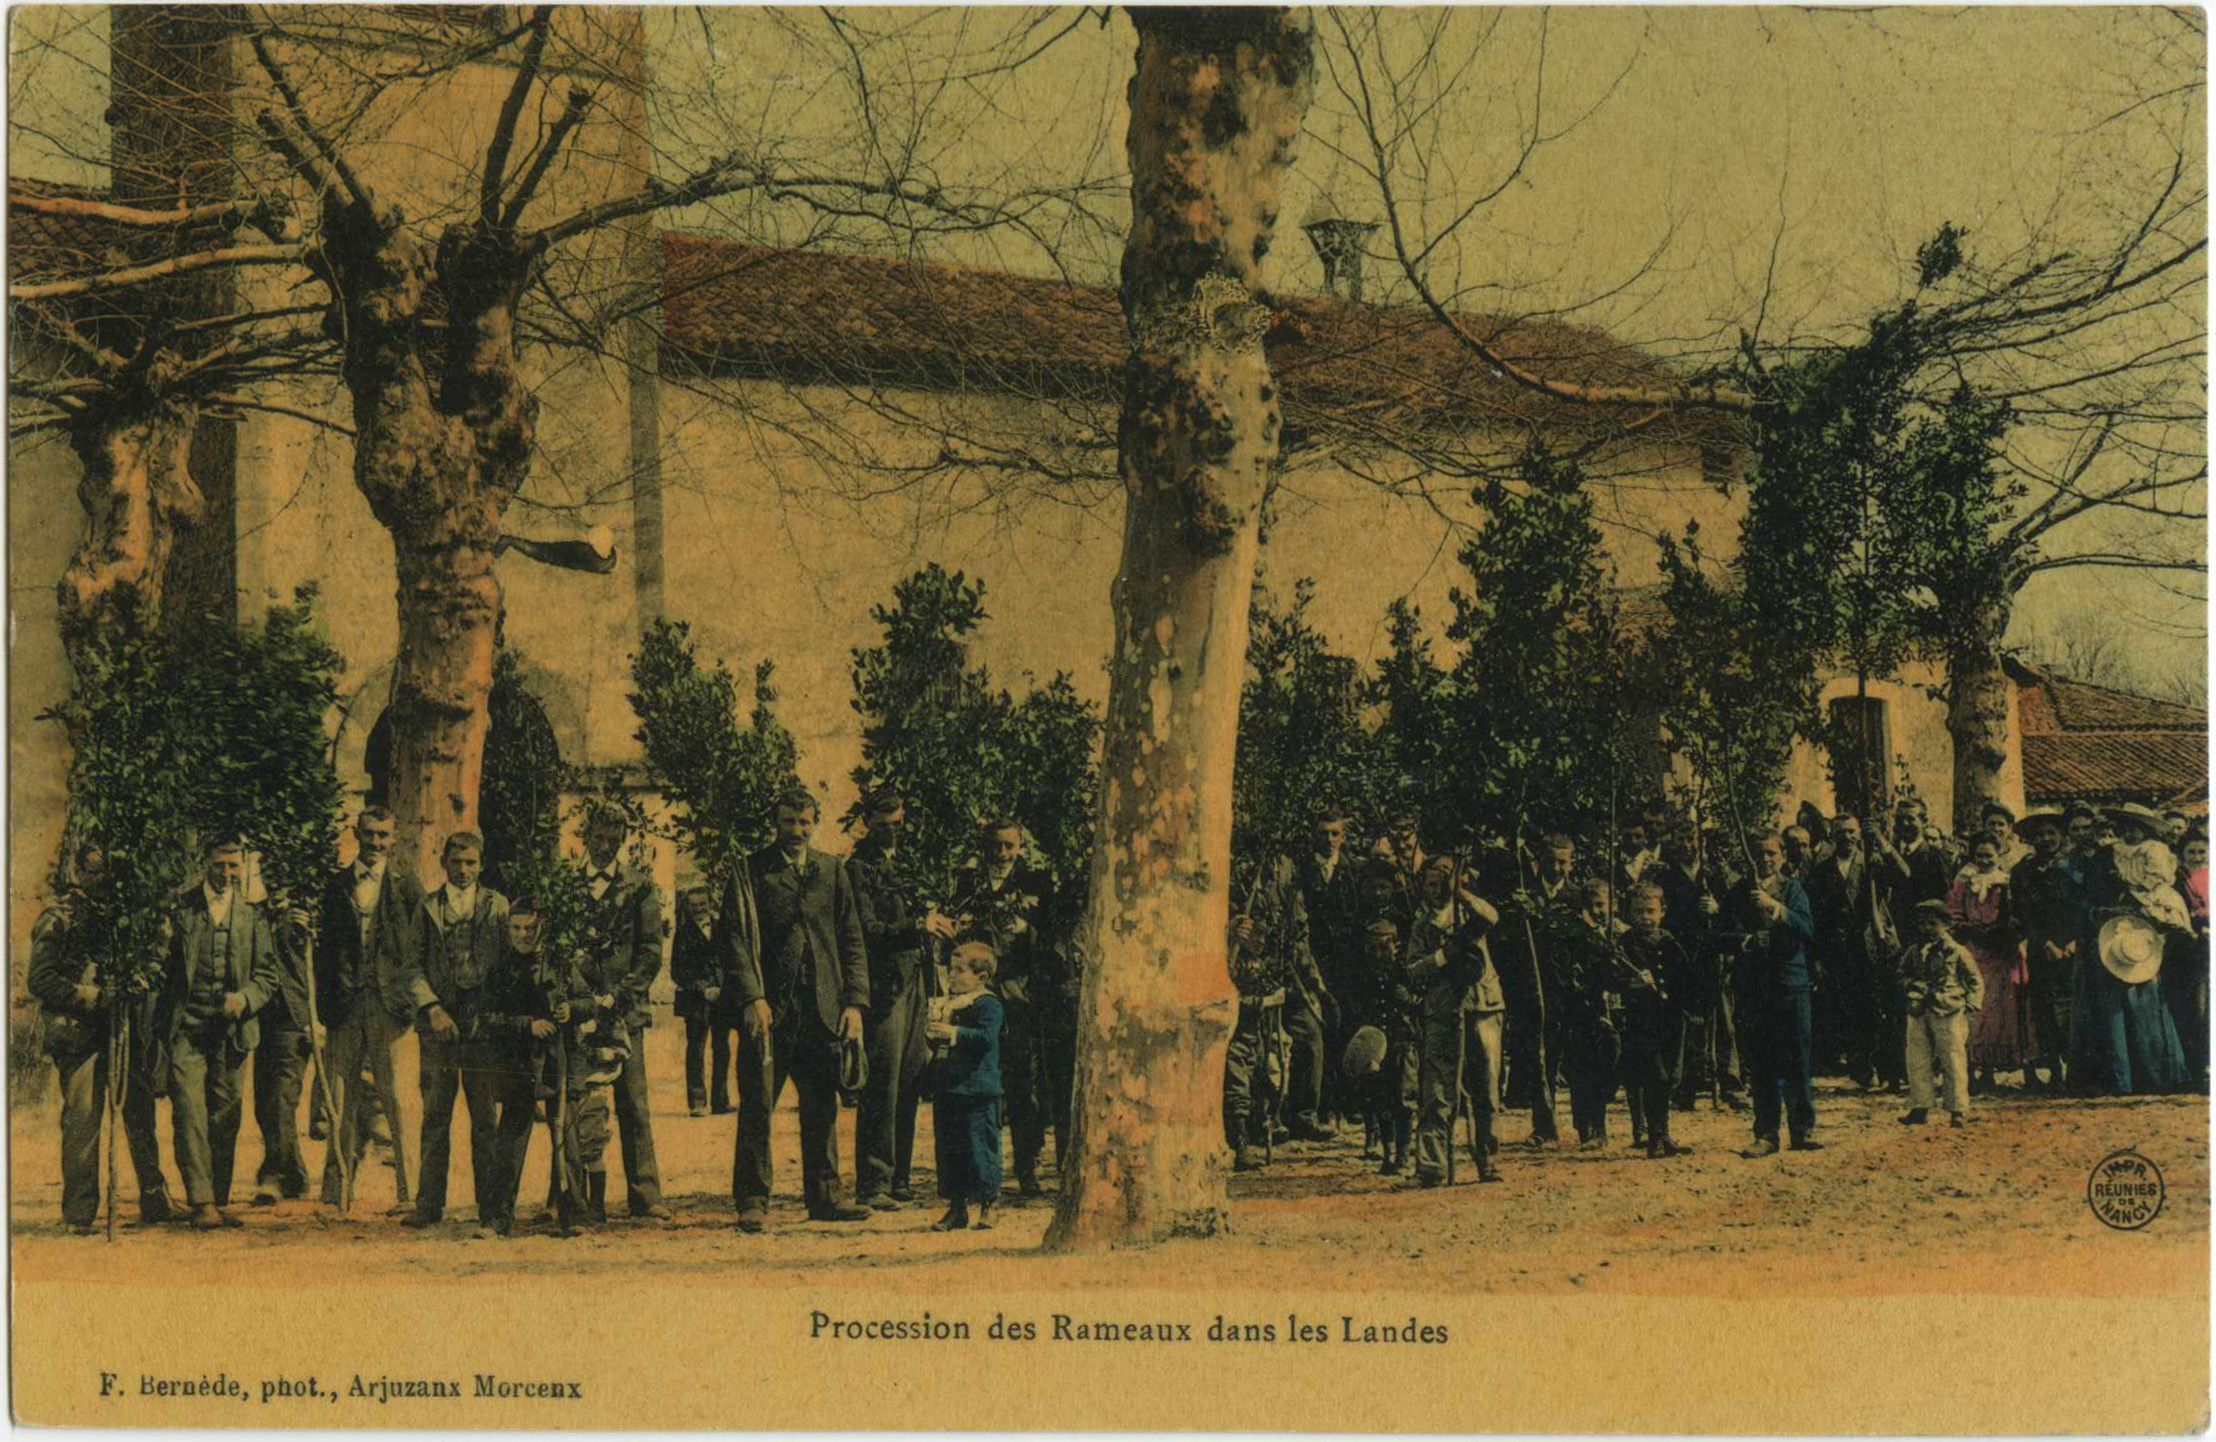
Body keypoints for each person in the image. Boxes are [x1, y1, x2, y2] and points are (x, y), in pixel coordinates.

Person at [724, 784, 871, 1232]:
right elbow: (732, 940)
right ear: (776, 823)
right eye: (788, 821)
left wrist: (855, 1004)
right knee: (757, 1105)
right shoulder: (750, 873)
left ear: (815, 823)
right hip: (770, 1014)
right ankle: (752, 1199)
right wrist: (752, 997)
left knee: (822, 1106)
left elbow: (851, 940)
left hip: (823, 1011)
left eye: (805, 822)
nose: (797, 831)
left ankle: (825, 1196)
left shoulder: (831, 871)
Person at [29, 844, 173, 1232]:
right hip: (80, 1035)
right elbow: (40, 979)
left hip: (125, 1030)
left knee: (139, 1113)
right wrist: (89, 996)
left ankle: (154, 1197)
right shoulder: (59, 918)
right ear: (77, 872)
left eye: (107, 872)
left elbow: (157, 956)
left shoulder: (127, 916)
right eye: (92, 871)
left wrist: (143, 978)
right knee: (83, 1119)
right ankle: (79, 1213)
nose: (101, 880)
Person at [161, 836, 284, 1229]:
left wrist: (246, 999)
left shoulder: (252, 916)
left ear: (243, 866)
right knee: (190, 1113)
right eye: (219, 864)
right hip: (188, 1028)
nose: (227, 873)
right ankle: (202, 1203)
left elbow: (269, 975)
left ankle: (217, 1197)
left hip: (233, 1033)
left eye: (234, 865)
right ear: (204, 863)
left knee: (225, 1116)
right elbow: (160, 968)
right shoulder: (180, 908)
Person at [314, 806, 425, 1211]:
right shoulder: (336, 885)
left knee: (399, 1097)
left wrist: (410, 1000)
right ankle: (335, 1192)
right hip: (345, 1007)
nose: (375, 843)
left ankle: (410, 1193)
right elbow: (324, 952)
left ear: (392, 839)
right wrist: (327, 1006)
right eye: (368, 835)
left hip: (391, 1008)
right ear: (355, 834)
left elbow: (421, 947)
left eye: (383, 836)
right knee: (340, 1100)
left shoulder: (407, 885)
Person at [398, 830, 509, 1229]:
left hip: (483, 1027)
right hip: (438, 1029)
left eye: (471, 863)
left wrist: (491, 1011)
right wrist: (432, 1008)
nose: (463, 870)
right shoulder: (428, 907)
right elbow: (410, 967)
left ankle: (491, 1209)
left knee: (484, 1120)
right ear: (444, 862)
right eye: (456, 862)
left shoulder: (497, 906)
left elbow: (507, 965)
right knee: (435, 1116)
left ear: (481, 865)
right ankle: (428, 1205)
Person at [947, 819, 1058, 1194]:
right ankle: (978, 1173)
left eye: (1009, 846)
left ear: (1020, 847)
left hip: (1018, 998)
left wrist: (1029, 931)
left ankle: (1027, 1169)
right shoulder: (968, 884)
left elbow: (1051, 938)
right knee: (977, 1083)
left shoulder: (1036, 884)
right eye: (995, 846)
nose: (1001, 854)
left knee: (1022, 1084)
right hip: (976, 996)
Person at [578, 805, 671, 1222]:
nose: (603, 847)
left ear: (623, 841)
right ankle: (570, 1195)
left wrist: (618, 996)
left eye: (612, 841)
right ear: (586, 834)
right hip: (578, 1011)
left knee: (633, 1102)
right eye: (598, 837)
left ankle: (645, 1194)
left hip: (625, 1012)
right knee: (576, 1101)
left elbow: (650, 952)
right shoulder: (567, 882)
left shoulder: (640, 886)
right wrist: (580, 997)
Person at [849, 789, 934, 1210]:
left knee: (912, 1077)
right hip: (884, 986)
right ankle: (873, 1182)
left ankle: (900, 1177)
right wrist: (918, 927)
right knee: (882, 1081)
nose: (891, 832)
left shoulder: (907, 864)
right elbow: (867, 929)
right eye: (882, 826)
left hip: (916, 979)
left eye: (897, 824)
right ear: (867, 823)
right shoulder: (858, 868)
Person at [2068, 804, 2191, 1095]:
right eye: (2126, 825)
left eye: (2137, 826)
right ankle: (2120, 1077)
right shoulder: (2108, 854)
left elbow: (2160, 887)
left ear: (2148, 829)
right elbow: (2094, 891)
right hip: (2114, 928)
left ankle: (2154, 1074)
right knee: (2113, 1003)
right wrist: (2109, 906)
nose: (2131, 831)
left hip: (2147, 926)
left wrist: (2148, 906)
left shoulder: (2156, 853)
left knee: (2146, 997)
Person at [1406, 856, 1503, 1186]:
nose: (1436, 891)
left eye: (1443, 884)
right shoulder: (1421, 927)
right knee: (1437, 1091)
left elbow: (1491, 916)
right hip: (1443, 1011)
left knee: (1486, 1089)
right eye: (1430, 884)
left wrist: (1462, 894)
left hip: (1482, 1008)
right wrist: (1444, 955)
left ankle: (1488, 1162)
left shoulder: (1470, 915)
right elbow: (1414, 970)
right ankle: (1433, 1167)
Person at [470, 896, 562, 1237]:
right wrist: (527, 1025)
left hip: (556, 1059)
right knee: (510, 1139)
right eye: (516, 928)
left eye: (530, 928)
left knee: (565, 1133)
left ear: (542, 929)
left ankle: (566, 1209)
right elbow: (488, 1017)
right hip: (518, 1061)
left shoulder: (559, 967)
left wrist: (566, 1013)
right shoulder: (500, 970)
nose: (523, 935)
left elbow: (580, 1001)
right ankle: (497, 1218)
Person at [1222, 849, 1317, 1171]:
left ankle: (1265, 1129)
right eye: (1254, 934)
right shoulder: (1231, 958)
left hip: (1262, 1029)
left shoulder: (1268, 959)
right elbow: (1227, 995)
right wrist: (1263, 1001)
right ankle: (1241, 1145)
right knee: (1238, 1084)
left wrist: (1277, 995)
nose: (1259, 940)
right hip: (1239, 1029)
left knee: (1267, 1077)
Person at [1726, 832, 1819, 1158]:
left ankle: (1802, 1130)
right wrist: (1747, 940)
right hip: (1755, 988)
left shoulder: (1792, 889)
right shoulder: (1740, 891)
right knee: (1763, 1063)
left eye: (1771, 854)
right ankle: (1766, 1133)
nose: (1764, 860)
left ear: (1781, 856)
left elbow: (1808, 929)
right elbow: (1722, 932)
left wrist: (1777, 909)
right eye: (1758, 854)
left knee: (1797, 1059)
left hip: (1791, 984)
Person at [1495, 832, 1582, 1145]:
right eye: (1551, 861)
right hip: (1531, 988)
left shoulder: (1578, 897)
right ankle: (1543, 1124)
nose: (1557, 868)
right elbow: (1505, 942)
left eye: (1563, 863)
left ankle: (1586, 1125)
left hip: (1567, 989)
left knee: (1565, 1055)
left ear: (1572, 863)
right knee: (1536, 1056)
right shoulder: (1522, 895)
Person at [1803, 813, 1897, 1092]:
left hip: (1870, 946)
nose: (1847, 836)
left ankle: (1885, 1068)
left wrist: (1881, 844)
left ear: (1859, 834)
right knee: (1849, 1010)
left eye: (1852, 831)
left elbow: (1904, 877)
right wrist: (1817, 957)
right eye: (1841, 832)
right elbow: (1815, 917)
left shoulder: (1872, 863)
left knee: (1876, 1008)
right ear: (1832, 836)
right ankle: (1860, 1070)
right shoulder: (1822, 870)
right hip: (1837, 952)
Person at [1649, 827, 1738, 1110]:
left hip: (1712, 956)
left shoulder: (1715, 875)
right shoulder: (1665, 878)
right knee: (1682, 1022)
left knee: (1722, 1021)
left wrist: (1717, 909)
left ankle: (1730, 1082)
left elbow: (1735, 914)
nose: (1687, 845)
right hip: (1680, 956)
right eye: (1681, 840)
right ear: (1672, 844)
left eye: (1692, 840)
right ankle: (1685, 1085)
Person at [925, 939, 1005, 1231]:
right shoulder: (951, 1003)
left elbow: (986, 1038)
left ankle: (989, 1203)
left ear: (981, 977)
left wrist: (954, 1032)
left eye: (960, 971)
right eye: (950, 970)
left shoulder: (988, 1003)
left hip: (978, 1090)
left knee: (980, 1147)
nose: (953, 977)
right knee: (949, 1150)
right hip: (949, 1088)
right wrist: (933, 1032)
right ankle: (956, 1208)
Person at [1294, 805, 1365, 1133]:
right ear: (1313, 835)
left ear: (1344, 836)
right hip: (1315, 963)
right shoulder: (1301, 871)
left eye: (1335, 833)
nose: (1329, 839)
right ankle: (1321, 1108)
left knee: (1346, 1032)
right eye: (1323, 833)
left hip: (1347, 967)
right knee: (1317, 1032)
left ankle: (1347, 1105)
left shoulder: (1354, 870)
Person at [1618, 881, 1693, 1159]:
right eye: (1639, 912)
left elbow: (1684, 976)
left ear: (1663, 911)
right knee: (1654, 1077)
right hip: (1642, 1021)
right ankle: (1653, 1138)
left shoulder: (1670, 942)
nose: (1645, 918)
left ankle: (1665, 1133)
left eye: (1651, 911)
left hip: (1670, 1019)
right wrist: (1632, 983)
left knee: (1671, 1076)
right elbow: (1612, 977)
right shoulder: (1624, 945)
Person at [249, 895, 315, 1205]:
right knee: (265, 1103)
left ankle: (275, 1174)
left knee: (281, 1099)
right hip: (259, 1017)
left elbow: (324, 966)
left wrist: (317, 1017)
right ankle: (296, 1175)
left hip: (295, 1018)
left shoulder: (308, 912)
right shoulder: (254, 912)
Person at [1949, 833, 2028, 1088]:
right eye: (1979, 855)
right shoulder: (1964, 880)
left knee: (1996, 1011)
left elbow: (2014, 915)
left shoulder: (2005, 881)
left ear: (1999, 855)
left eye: (1989, 856)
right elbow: (1953, 911)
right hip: (1972, 949)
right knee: (1973, 1009)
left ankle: (1990, 1069)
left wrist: (2000, 931)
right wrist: (1967, 928)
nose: (1984, 861)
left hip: (1998, 952)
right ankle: (1970, 1067)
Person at [1898, 899, 1985, 1127]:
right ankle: (1920, 1107)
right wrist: (1912, 987)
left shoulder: (1957, 951)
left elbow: (1975, 980)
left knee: (1953, 1059)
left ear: (1946, 925)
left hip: (1948, 1010)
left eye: (1932, 923)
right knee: (1917, 1059)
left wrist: (1971, 1005)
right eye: (1922, 923)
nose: (1926, 928)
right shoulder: (1913, 951)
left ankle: (1957, 1110)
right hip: (1918, 1010)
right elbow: (1901, 974)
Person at [2010, 810, 2078, 1092]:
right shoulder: (2023, 872)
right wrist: (2046, 943)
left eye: (2051, 833)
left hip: (2075, 948)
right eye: (2040, 835)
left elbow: (2083, 906)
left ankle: (2077, 1071)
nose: (2046, 839)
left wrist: (2076, 941)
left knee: (2074, 1009)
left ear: (2062, 836)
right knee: (2046, 1010)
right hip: (2042, 948)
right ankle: (2054, 1072)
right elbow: (2023, 914)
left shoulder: (2074, 866)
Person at [1558, 877, 1625, 1148]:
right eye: (1594, 906)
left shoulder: (1619, 932)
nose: (1599, 911)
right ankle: (1589, 1128)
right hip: (1583, 1008)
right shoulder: (1577, 935)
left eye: (1603, 905)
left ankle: (1599, 1120)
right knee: (1583, 1068)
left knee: (1610, 1059)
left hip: (1612, 1007)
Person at [671, 882, 734, 1116]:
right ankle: (697, 1102)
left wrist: (724, 987)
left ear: (710, 903)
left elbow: (730, 961)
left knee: (722, 1048)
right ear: (688, 906)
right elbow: (677, 971)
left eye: (703, 904)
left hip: (722, 999)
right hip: (696, 1001)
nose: (698, 908)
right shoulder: (683, 933)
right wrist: (702, 989)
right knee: (696, 1050)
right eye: (694, 904)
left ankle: (721, 1101)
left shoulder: (722, 928)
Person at [2168, 823, 2209, 1088]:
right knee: (2195, 1009)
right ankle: (2196, 1068)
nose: (2196, 856)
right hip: (2188, 951)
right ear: (2182, 853)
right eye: (2191, 851)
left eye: (2201, 851)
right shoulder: (2175, 880)